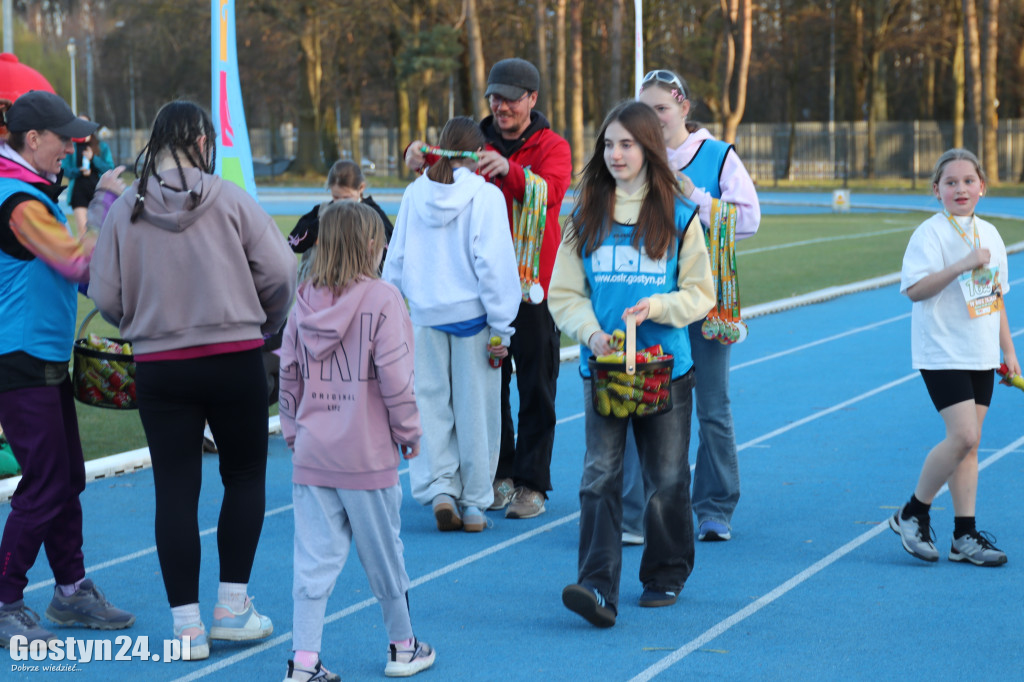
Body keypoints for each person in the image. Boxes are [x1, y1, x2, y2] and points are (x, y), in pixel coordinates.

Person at [88, 100, 297, 659]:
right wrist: (267, 321)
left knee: (175, 490)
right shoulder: (229, 198)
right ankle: (233, 607)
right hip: (234, 357)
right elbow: (281, 272)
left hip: (160, 365)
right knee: (246, 475)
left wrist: (142, 318)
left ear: (155, 142)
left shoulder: (125, 209)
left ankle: (186, 628)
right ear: (204, 143)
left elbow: (104, 295)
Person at [548, 101, 714, 627]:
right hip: (605, 372)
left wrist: (660, 307)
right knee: (599, 477)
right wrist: (592, 333)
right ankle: (597, 588)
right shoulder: (584, 217)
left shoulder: (678, 217)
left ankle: (665, 571)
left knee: (665, 479)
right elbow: (565, 294)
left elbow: (700, 294)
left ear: (649, 148)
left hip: (665, 370)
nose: (616, 154)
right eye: (608, 144)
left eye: (627, 143)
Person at [405, 58, 572, 520]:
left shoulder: (553, 146)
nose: (500, 106)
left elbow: (553, 191)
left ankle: (532, 484)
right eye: (494, 97)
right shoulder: (472, 142)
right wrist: (414, 155)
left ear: (532, 100)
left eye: (510, 98)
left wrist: (509, 172)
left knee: (537, 386)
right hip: (479, 290)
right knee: (486, 390)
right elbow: (435, 171)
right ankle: (496, 475)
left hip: (533, 287)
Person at [279, 200, 435, 681]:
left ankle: (304, 662)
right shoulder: (384, 299)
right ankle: (403, 646)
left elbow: (288, 374)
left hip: (313, 452)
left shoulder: (302, 299)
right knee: (385, 556)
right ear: (370, 245)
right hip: (366, 456)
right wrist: (408, 432)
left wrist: (292, 431)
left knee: (312, 563)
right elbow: (397, 379)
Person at [0, 90, 134, 647]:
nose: (73, 147)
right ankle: (5, 599)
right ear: (33, 140)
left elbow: (80, 276)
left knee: (67, 477)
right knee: (46, 480)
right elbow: (78, 259)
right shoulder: (18, 201)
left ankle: (70, 588)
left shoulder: (32, 191)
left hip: (43, 355)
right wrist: (104, 201)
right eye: (64, 138)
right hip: (20, 359)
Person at [636, 68, 761, 543]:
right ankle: (653, 501)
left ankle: (714, 506)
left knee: (711, 406)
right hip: (651, 301)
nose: (654, 119)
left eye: (661, 109)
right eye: (645, 111)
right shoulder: (634, 153)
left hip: (706, 302)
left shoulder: (717, 155)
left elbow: (748, 219)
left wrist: (692, 194)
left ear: (683, 106)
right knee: (650, 402)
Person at [383, 117, 520, 532]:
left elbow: (397, 262)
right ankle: (475, 501)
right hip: (474, 322)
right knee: (476, 412)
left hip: (424, 319)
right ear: (478, 154)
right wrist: (502, 326)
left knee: (429, 408)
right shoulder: (486, 197)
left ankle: (440, 488)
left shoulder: (413, 193)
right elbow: (493, 265)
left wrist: (400, 314)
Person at [890, 148, 1017, 568]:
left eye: (968, 181)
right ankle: (913, 512)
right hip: (941, 350)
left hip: (980, 351)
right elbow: (915, 290)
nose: (960, 188)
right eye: (950, 182)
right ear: (936, 190)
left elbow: (996, 299)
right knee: (963, 436)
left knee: (971, 446)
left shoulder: (992, 235)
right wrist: (962, 264)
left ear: (982, 186)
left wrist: (1009, 350)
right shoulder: (929, 234)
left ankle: (964, 536)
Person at [288, 158, 394, 280]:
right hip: (322, 286)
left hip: (361, 288)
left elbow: (391, 250)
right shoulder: (322, 211)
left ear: (361, 188)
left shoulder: (374, 215)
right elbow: (293, 244)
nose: (341, 203)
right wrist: (318, 229)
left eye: (347, 197)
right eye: (336, 197)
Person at [60, 115, 114, 234]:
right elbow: (64, 169)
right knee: (84, 232)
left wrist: (93, 158)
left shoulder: (101, 146)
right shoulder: (70, 145)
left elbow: (109, 168)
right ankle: (84, 253)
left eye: (84, 124)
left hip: (98, 192)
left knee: (100, 232)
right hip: (79, 193)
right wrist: (79, 171)